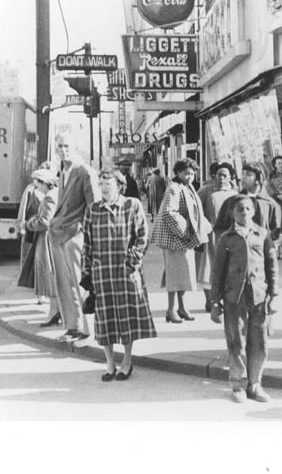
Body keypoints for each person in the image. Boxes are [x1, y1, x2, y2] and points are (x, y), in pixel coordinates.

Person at [81, 170, 157, 382]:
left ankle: (127, 360)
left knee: (126, 316)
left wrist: (131, 263)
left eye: (108, 183)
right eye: (101, 183)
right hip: (101, 272)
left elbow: (143, 237)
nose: (104, 187)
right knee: (104, 318)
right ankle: (109, 363)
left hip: (125, 271)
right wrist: (86, 273)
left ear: (119, 185)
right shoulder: (92, 210)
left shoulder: (132, 205)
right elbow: (87, 243)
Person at [209, 195, 278, 403]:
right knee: (236, 342)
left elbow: (272, 266)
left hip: (258, 296)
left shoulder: (262, 235)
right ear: (232, 213)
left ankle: (255, 384)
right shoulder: (226, 239)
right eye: (240, 209)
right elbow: (217, 272)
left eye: (248, 209)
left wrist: (273, 295)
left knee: (260, 342)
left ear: (254, 211)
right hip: (234, 297)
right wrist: (215, 302)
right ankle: (238, 384)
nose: (245, 213)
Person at [49, 132, 101, 342]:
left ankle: (87, 329)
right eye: (60, 146)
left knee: (80, 283)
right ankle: (73, 327)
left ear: (76, 147)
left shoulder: (84, 171)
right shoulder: (64, 171)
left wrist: (84, 233)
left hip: (75, 235)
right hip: (58, 233)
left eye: (67, 146)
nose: (63, 150)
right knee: (64, 284)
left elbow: (94, 206)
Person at [150, 158, 211, 323]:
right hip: (175, 239)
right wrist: (185, 231)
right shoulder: (174, 188)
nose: (190, 176)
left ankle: (182, 307)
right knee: (175, 275)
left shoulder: (186, 186)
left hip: (182, 239)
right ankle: (171, 310)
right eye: (186, 173)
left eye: (192, 174)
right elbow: (169, 212)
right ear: (177, 173)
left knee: (183, 273)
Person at [18, 168, 60, 326]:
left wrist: (28, 224)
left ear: (45, 183)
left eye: (37, 182)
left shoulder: (49, 197)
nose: (35, 186)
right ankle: (55, 311)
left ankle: (53, 312)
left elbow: (45, 222)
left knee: (48, 276)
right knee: (52, 276)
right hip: (52, 238)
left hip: (46, 239)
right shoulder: (56, 194)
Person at [197, 162, 238, 312]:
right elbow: (196, 209)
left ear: (230, 177)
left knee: (228, 268)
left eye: (225, 175)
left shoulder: (234, 194)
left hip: (229, 236)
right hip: (210, 235)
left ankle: (225, 300)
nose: (221, 178)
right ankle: (210, 300)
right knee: (209, 268)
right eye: (219, 174)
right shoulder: (206, 191)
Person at [214, 164, 281, 241]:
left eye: (248, 174)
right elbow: (219, 228)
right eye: (242, 174)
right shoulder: (231, 201)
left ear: (259, 179)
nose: (243, 177)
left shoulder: (271, 204)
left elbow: (275, 234)